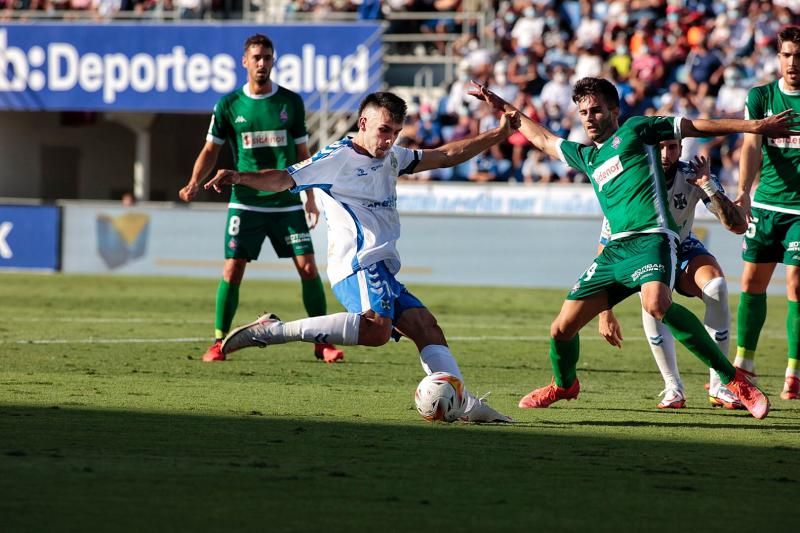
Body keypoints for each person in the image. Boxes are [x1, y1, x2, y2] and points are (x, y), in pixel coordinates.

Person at [470, 77, 800, 420]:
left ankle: (734, 381)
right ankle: (564, 384)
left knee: (656, 303)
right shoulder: (586, 156)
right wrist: (501, 105)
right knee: (560, 329)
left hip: (653, 239)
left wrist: (755, 126)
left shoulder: (637, 131)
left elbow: (694, 126)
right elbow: (542, 138)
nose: (589, 117)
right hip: (615, 251)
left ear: (615, 110)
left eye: (596, 110)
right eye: (583, 112)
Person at [203, 92, 519, 423]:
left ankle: (465, 403)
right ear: (363, 123)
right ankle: (273, 330)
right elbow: (284, 178)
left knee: (427, 328)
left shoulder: (393, 156)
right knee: (377, 331)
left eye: (396, 131)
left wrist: (498, 134)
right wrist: (240, 177)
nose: (389, 139)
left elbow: (444, 156)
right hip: (358, 264)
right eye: (384, 130)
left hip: (381, 266)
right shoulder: (337, 158)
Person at [178, 34, 344, 364]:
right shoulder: (228, 105)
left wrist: (310, 197)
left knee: (308, 267)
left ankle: (321, 342)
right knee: (232, 269)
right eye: (256, 57)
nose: (262, 63)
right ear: (245, 61)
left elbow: (302, 154)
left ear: (273, 60)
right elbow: (211, 149)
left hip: (285, 199)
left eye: (267, 57)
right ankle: (218, 342)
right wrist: (194, 181)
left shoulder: (291, 103)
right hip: (245, 201)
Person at [598, 141, 747, 410]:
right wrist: (604, 309)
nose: (667, 154)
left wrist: (708, 186)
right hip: (646, 252)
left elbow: (737, 226)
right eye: (661, 147)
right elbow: (606, 241)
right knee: (651, 298)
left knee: (717, 286)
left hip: (682, 246)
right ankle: (673, 387)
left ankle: (719, 385)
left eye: (673, 148)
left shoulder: (691, 174)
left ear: (681, 149)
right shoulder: (630, 178)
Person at [735, 26, 800, 400]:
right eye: (787, 55)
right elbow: (750, 146)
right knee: (750, 285)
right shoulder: (761, 96)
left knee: (796, 285)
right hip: (766, 205)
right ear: (778, 57)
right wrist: (744, 192)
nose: (793, 63)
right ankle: (745, 363)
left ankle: (794, 372)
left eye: (798, 56)